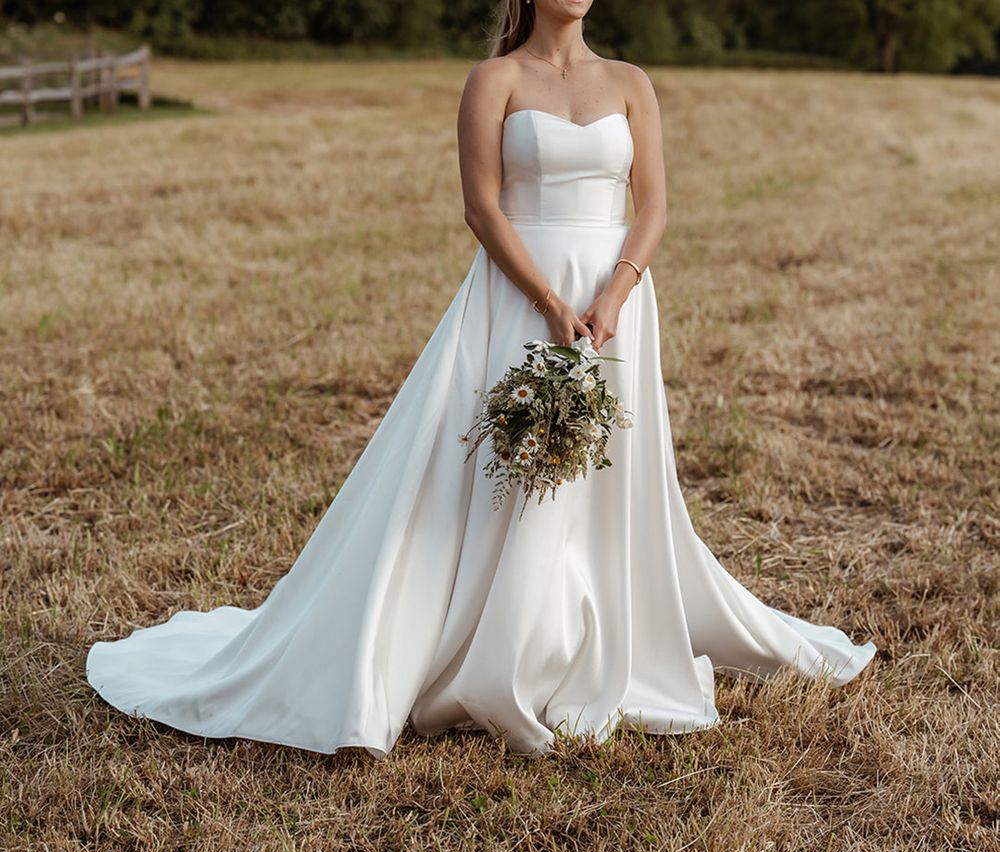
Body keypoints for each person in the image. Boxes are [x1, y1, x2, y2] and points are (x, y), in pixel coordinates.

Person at [86, 0, 877, 760]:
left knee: (601, 475)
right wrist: (546, 301)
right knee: (504, 468)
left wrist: (615, 293)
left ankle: (592, 638)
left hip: (614, 304)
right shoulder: (492, 80)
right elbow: (482, 207)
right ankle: (492, 652)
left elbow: (656, 205)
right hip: (519, 297)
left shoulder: (632, 82)